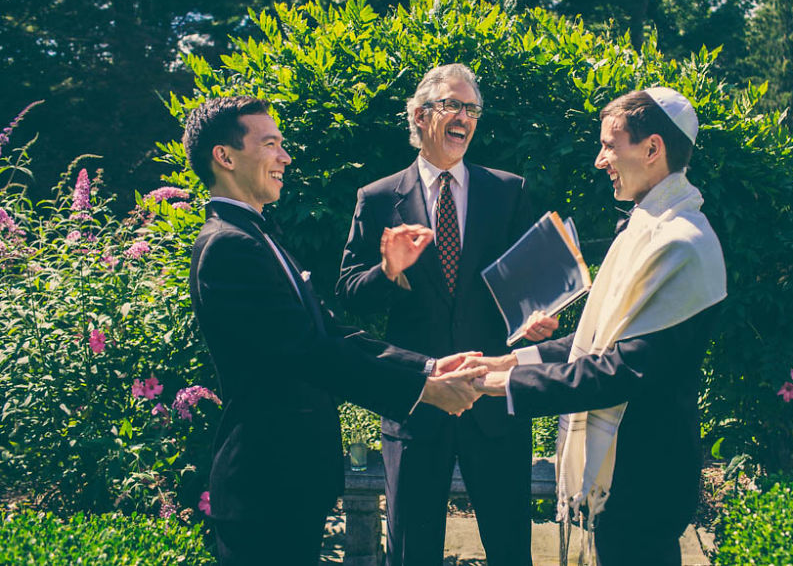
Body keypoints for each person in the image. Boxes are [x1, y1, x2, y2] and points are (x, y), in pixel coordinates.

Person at [184, 96, 486, 566]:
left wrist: (426, 365)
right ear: (224, 157)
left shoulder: (255, 236)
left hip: (288, 484)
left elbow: (330, 332)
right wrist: (422, 388)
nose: (285, 157)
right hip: (265, 484)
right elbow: (309, 353)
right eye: (270, 144)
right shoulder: (229, 247)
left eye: (282, 145)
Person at [461, 87, 727, 566]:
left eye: (610, 144)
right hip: (626, 476)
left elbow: (620, 369)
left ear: (652, 149)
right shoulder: (647, 227)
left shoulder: (682, 244)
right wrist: (510, 360)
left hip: (646, 477)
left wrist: (506, 384)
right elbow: (597, 341)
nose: (600, 159)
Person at [336, 64, 534, 566]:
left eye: (472, 108)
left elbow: (525, 285)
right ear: (421, 115)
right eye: (453, 105)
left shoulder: (508, 191)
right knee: (411, 550)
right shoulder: (378, 198)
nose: (464, 116)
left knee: (511, 546)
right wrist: (388, 270)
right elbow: (349, 294)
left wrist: (534, 316)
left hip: (494, 401)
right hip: (416, 402)